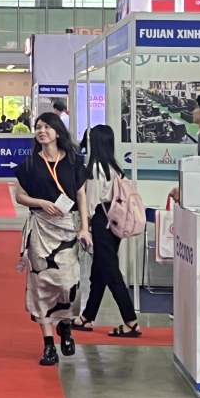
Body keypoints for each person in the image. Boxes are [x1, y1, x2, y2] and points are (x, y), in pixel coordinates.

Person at [14, 112, 93, 366]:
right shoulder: (30, 163)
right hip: (41, 228)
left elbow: (81, 196)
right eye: (38, 127)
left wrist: (85, 228)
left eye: (47, 126)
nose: (42, 131)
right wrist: (40, 202)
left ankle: (65, 325)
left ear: (57, 131)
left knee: (68, 283)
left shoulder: (72, 162)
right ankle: (48, 344)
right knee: (41, 285)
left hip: (67, 228)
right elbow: (19, 196)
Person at [71, 125, 139, 338]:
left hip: (102, 221)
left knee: (110, 272)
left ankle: (131, 321)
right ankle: (87, 317)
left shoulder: (95, 168)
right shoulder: (114, 167)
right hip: (114, 222)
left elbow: (90, 202)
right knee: (99, 272)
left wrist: (85, 225)